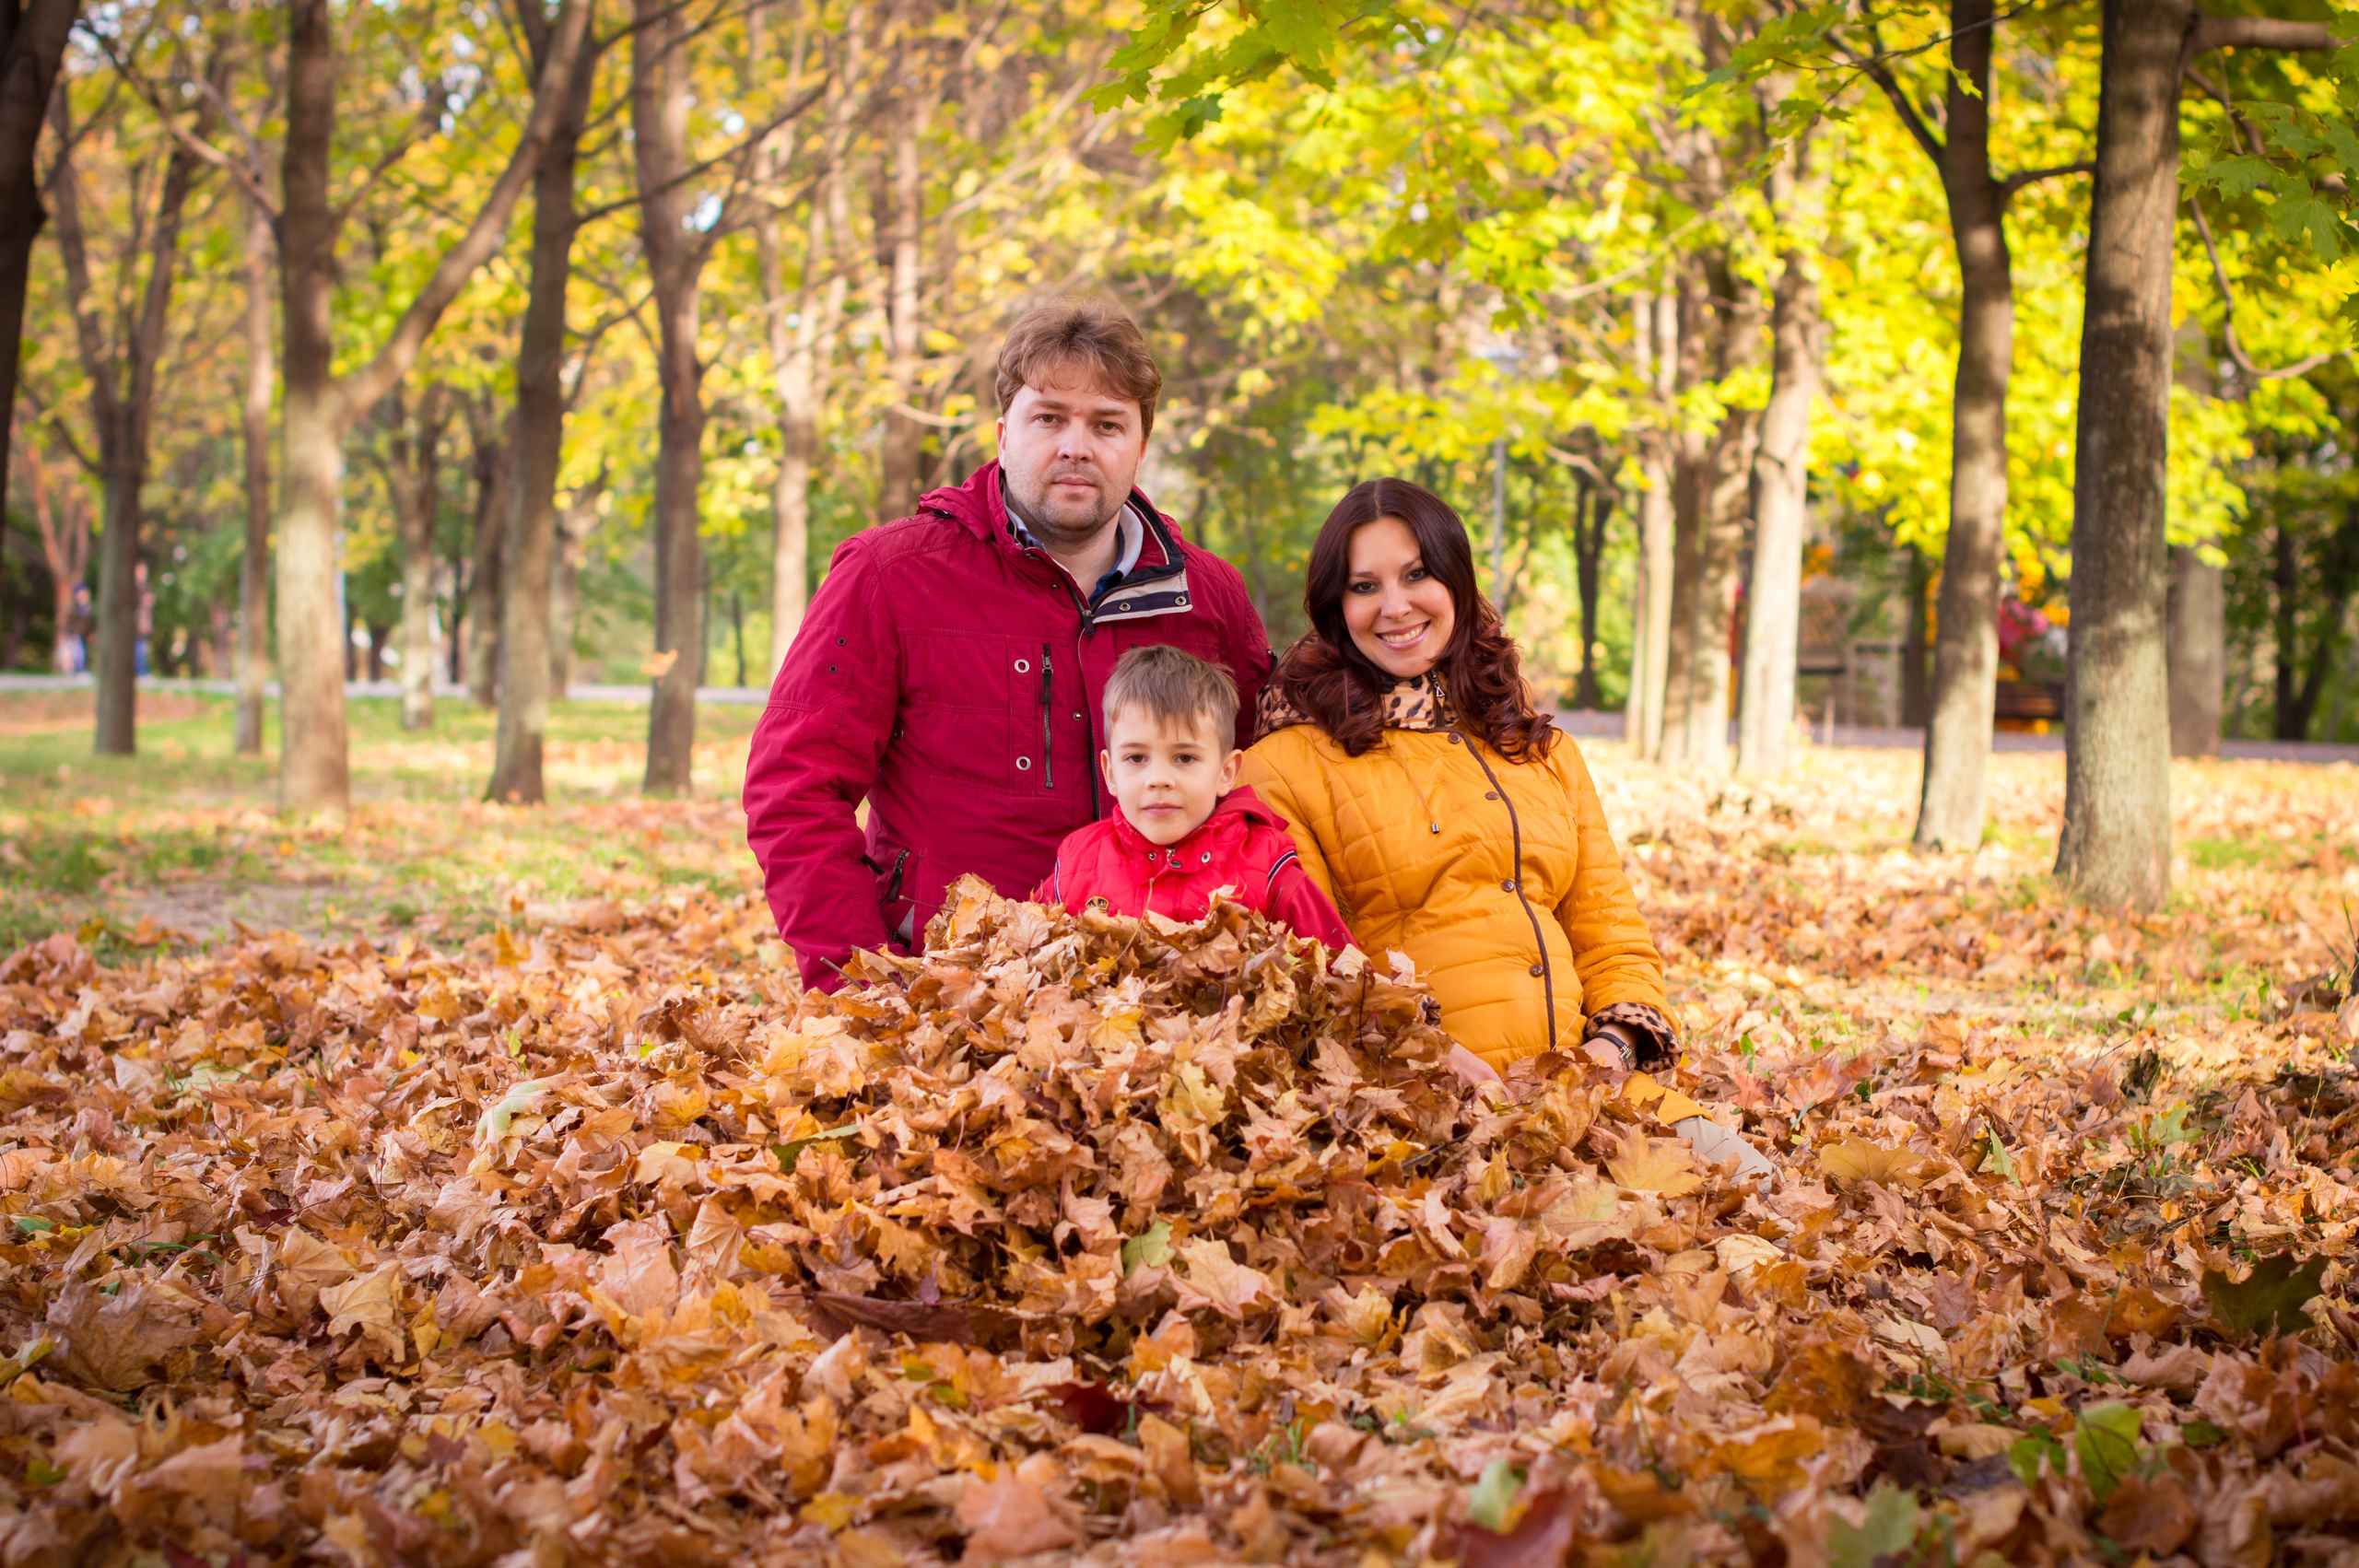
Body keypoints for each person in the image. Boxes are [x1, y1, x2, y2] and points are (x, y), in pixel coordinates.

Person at [1239, 477, 1772, 1179]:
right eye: (1365, 586)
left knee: (1759, 1188)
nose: (1395, 606)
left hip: (1591, 1091)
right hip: (1424, 1109)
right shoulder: (1286, 763)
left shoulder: (1540, 750)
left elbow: (1611, 930)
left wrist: (1608, 1053)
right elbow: (1312, 970)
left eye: (1417, 574)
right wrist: (1433, 1062)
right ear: (1338, 607)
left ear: (1455, 582)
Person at [744, 298, 1273, 989]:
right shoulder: (889, 576)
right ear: (1002, 434)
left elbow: (1261, 784)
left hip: (1162, 996)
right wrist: (865, 988)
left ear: (1139, 448)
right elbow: (795, 787)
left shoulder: (1207, 595)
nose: (1075, 446)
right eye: (1049, 418)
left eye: (1107, 424)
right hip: (953, 992)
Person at [1031, 645, 1353, 950]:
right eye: (1136, 758)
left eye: (1184, 758)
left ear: (1226, 772)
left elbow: (1346, 978)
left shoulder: (1266, 866)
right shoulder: (1078, 863)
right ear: (1110, 772)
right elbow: (1027, 955)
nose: (1158, 780)